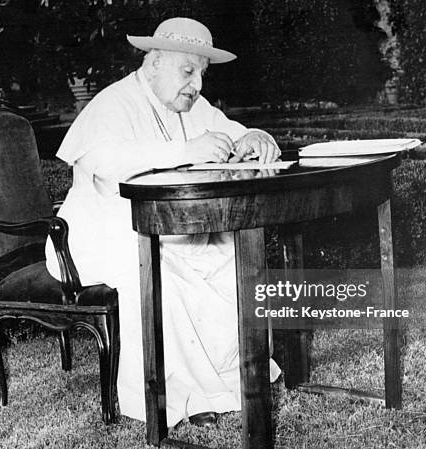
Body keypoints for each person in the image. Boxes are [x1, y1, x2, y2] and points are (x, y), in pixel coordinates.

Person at [45, 17, 281, 428]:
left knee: (230, 252)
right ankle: (174, 398)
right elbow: (104, 163)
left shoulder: (193, 104)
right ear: (153, 63)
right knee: (159, 266)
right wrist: (188, 148)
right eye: (188, 71)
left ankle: (231, 382)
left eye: (202, 75)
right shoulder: (112, 103)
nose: (197, 85)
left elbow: (234, 133)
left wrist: (254, 137)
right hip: (97, 234)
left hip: (164, 226)